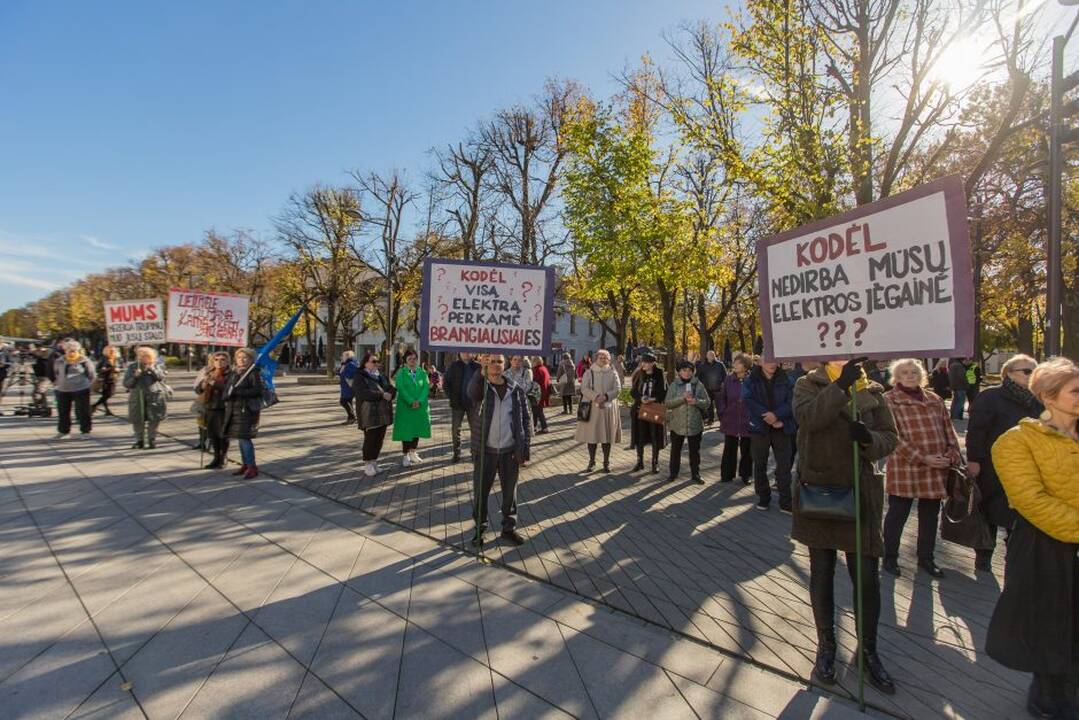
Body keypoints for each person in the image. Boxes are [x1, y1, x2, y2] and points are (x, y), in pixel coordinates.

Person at [792, 357, 898, 694]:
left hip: (861, 493)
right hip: (821, 490)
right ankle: (826, 646)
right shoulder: (807, 384)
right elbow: (809, 419)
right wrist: (840, 387)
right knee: (822, 572)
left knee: (867, 578)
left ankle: (868, 650)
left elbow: (890, 438)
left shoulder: (875, 390)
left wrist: (868, 440)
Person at [986, 358, 1079, 719]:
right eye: (1075, 391)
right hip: (1045, 548)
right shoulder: (1016, 442)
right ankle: (1049, 698)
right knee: (1051, 624)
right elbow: (1031, 501)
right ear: (1048, 396)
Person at [881, 358, 963, 579]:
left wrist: (951, 453)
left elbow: (948, 429)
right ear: (896, 377)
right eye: (904, 373)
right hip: (905, 466)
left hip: (936, 466)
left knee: (930, 515)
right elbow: (892, 436)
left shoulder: (934, 399)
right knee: (898, 514)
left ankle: (926, 557)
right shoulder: (888, 401)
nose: (910, 376)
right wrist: (921, 458)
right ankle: (889, 556)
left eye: (914, 372)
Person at [965, 354, 1042, 572]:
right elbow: (977, 431)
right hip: (992, 466)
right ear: (1008, 373)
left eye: (1034, 371)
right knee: (989, 510)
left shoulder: (1038, 399)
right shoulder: (991, 397)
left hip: (1028, 468)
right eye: (1026, 371)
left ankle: (1014, 557)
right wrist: (974, 460)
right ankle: (983, 555)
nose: (1031, 375)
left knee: (1020, 513)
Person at [467, 354, 530, 547]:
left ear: (505, 365)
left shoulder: (515, 389)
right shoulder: (482, 386)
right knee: (481, 493)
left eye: (499, 362)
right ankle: (479, 530)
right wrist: (480, 371)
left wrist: (524, 448)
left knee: (510, 494)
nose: (495, 365)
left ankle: (508, 529)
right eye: (492, 361)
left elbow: (525, 420)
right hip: (485, 450)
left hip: (509, 451)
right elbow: (471, 393)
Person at [744, 359, 796, 511]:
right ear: (760, 362)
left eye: (775, 361)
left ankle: (786, 502)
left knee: (784, 465)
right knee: (760, 464)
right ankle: (763, 498)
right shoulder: (750, 380)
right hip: (759, 427)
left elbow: (791, 401)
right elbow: (748, 400)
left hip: (781, 426)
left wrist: (777, 416)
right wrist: (767, 417)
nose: (772, 364)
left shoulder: (787, 379)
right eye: (768, 361)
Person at [575, 349, 622, 473]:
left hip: (608, 409)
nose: (602, 359)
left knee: (606, 437)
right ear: (596, 358)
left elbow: (618, 389)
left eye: (605, 357)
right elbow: (584, 388)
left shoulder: (613, 372)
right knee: (592, 437)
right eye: (600, 357)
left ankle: (606, 463)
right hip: (593, 409)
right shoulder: (589, 372)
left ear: (609, 359)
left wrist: (605, 396)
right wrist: (596, 397)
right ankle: (592, 462)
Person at [665, 360, 710, 484]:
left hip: (694, 424)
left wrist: (696, 401)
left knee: (694, 451)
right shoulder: (674, 385)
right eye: (684, 370)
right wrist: (682, 398)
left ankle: (695, 474)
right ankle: (673, 473)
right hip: (677, 424)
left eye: (690, 370)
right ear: (679, 372)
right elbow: (668, 403)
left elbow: (707, 402)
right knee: (675, 450)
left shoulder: (698, 384)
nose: (687, 373)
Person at [353, 352, 396, 477]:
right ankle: (367, 464)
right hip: (368, 413)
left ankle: (374, 461)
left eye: (377, 361)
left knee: (379, 438)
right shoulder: (360, 376)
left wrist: (391, 394)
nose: (376, 363)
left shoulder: (381, 376)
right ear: (365, 363)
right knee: (370, 438)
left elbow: (390, 388)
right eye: (373, 361)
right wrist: (382, 395)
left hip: (383, 412)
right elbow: (362, 393)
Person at [224, 348, 264, 479]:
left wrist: (238, 392)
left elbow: (257, 391)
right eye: (239, 357)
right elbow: (228, 389)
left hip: (246, 410)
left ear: (251, 359)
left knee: (245, 439)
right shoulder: (234, 373)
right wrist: (227, 395)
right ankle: (245, 464)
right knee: (240, 439)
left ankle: (252, 467)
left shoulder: (253, 373)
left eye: (245, 357)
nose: (241, 360)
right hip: (234, 410)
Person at [717, 354, 753, 484]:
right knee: (729, 447)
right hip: (730, 418)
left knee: (747, 449)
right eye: (734, 362)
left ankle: (746, 475)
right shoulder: (728, 379)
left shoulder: (752, 380)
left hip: (747, 420)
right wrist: (722, 413)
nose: (734, 365)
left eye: (738, 363)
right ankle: (727, 474)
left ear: (745, 366)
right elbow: (721, 397)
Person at [123, 346, 168, 449]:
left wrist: (152, 370)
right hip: (138, 397)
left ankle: (152, 439)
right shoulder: (133, 367)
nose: (143, 358)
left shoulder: (156, 366)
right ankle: (140, 440)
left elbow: (161, 378)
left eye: (146, 356)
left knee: (154, 419)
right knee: (138, 419)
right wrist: (135, 376)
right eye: (141, 356)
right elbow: (126, 384)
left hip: (154, 396)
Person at [392, 349, 431, 466]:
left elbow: (426, 387)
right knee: (406, 432)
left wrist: (419, 401)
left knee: (417, 430)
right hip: (406, 408)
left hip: (420, 407)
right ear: (405, 361)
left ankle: (413, 452)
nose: (413, 361)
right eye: (410, 359)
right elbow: (401, 388)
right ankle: (405, 455)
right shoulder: (401, 373)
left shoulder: (422, 373)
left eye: (414, 358)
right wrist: (410, 401)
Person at [630, 353, 666, 474]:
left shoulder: (659, 374)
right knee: (639, 436)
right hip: (640, 408)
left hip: (654, 409)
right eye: (642, 362)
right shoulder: (639, 373)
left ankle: (655, 462)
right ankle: (639, 461)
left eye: (645, 362)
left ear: (652, 363)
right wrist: (641, 398)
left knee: (654, 435)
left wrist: (653, 399)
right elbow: (633, 391)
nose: (643, 364)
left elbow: (663, 392)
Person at [194, 352, 231, 469]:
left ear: (227, 361)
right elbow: (198, 390)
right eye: (216, 359)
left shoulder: (230, 374)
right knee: (212, 434)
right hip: (209, 407)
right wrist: (203, 384)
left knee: (222, 435)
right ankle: (216, 457)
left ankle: (223, 457)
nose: (219, 362)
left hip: (223, 408)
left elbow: (228, 390)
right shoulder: (209, 373)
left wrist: (213, 383)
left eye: (222, 359)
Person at [53, 341, 96, 439]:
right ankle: (64, 431)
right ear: (65, 351)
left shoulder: (84, 361)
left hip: (81, 389)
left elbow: (91, 374)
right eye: (69, 350)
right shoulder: (59, 360)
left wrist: (89, 385)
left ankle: (85, 431)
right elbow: (56, 373)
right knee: (63, 411)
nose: (71, 352)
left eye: (73, 350)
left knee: (83, 411)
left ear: (78, 350)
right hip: (63, 389)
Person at [443, 352, 481, 462]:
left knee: (475, 430)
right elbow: (446, 383)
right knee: (456, 430)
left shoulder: (477, 366)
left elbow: (482, 383)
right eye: (463, 351)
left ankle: (475, 453)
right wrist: (451, 397)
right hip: (457, 403)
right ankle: (456, 453)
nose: (465, 353)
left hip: (473, 404)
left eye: (468, 351)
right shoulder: (454, 366)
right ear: (459, 353)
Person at [696, 350, 728, 426]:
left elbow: (725, 376)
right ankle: (711, 420)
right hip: (707, 389)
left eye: (713, 355)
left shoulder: (720, 365)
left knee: (720, 406)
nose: (711, 356)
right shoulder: (702, 366)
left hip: (718, 389)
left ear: (714, 356)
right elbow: (697, 377)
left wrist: (724, 385)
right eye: (710, 355)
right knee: (709, 406)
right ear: (707, 356)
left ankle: (722, 421)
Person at [91, 345, 119, 416]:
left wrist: (117, 370)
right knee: (108, 394)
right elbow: (97, 369)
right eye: (110, 351)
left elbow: (117, 368)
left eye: (113, 351)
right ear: (106, 352)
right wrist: (104, 369)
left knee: (107, 394)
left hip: (113, 378)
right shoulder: (103, 359)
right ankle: (95, 406)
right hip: (105, 379)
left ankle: (99, 407)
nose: (112, 352)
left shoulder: (115, 359)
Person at [530, 355, 550, 434]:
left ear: (535, 362)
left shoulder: (537, 370)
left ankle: (544, 427)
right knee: (536, 411)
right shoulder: (544, 368)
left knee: (538, 411)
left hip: (538, 394)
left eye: (532, 361)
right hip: (543, 392)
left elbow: (535, 382)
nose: (531, 363)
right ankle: (534, 427)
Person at [337, 351, 358, 424]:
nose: (341, 357)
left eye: (343, 356)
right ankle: (351, 418)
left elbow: (349, 375)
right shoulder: (346, 364)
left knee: (343, 401)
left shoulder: (350, 364)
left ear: (347, 356)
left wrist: (343, 372)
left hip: (348, 387)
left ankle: (352, 417)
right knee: (348, 401)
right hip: (345, 386)